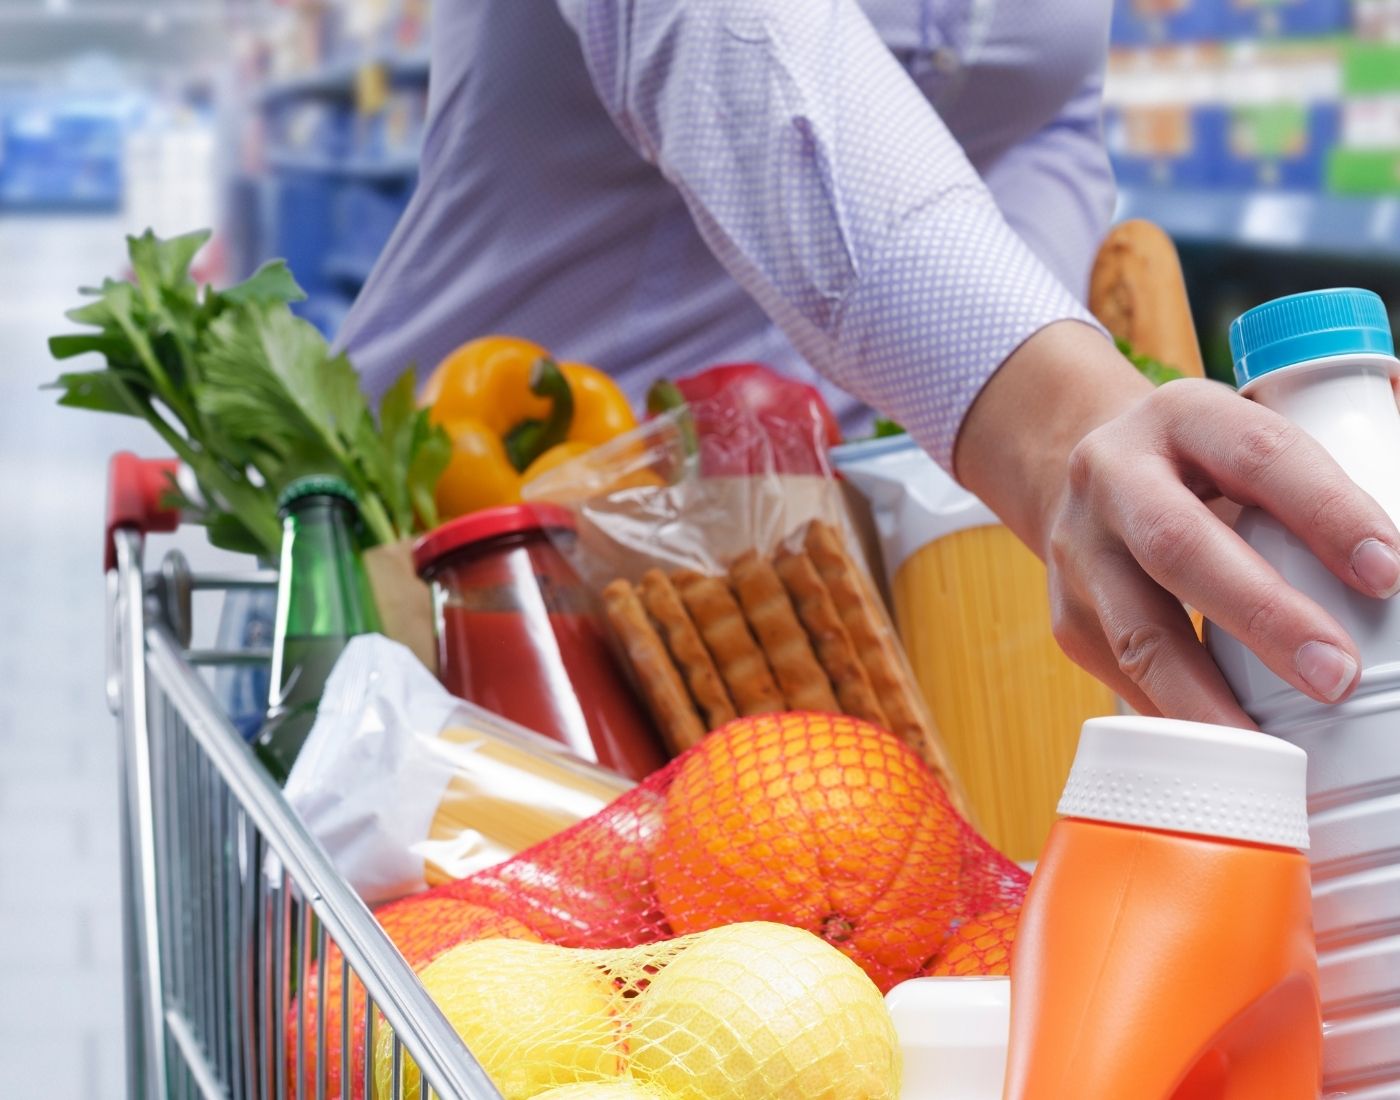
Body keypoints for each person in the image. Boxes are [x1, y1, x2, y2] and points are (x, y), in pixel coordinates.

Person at [339, 0, 1400, 729]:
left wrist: (968, 475)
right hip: (452, 572)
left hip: (786, 576)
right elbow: (732, 47)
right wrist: (1058, 420)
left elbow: (1043, 113)